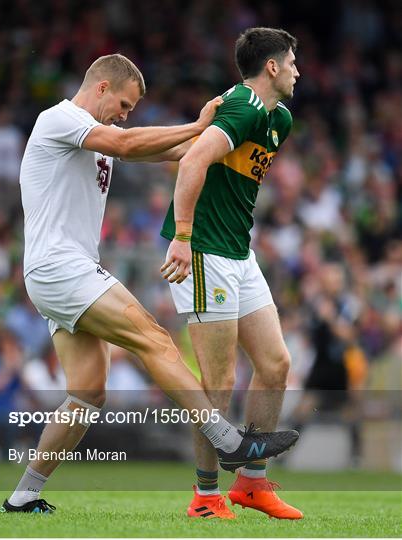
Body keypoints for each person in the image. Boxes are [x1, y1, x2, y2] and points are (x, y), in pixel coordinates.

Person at [1, 54, 298, 514]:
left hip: (58, 272)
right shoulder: (60, 118)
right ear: (101, 87)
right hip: (61, 268)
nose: (126, 113)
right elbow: (124, 143)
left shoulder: (96, 135)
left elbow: (164, 150)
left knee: (86, 394)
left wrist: (209, 137)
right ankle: (229, 440)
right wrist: (195, 122)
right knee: (154, 340)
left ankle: (23, 496)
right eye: (124, 103)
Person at [160, 28, 303, 519]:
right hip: (203, 251)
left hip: (239, 253)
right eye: (291, 63)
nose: (297, 72)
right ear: (271, 67)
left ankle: (251, 484)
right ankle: (204, 497)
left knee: (275, 364)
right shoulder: (240, 106)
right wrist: (181, 235)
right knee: (218, 380)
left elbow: (189, 153)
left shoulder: (278, 117)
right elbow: (192, 159)